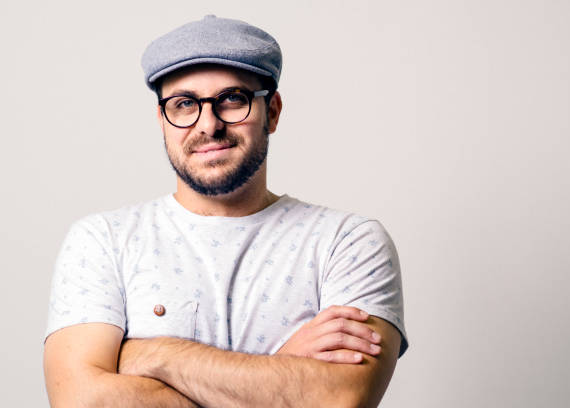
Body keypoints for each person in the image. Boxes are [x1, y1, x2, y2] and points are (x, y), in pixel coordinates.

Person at [43, 15, 407, 408]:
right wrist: (284, 372)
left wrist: (154, 355)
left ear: (273, 111)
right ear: (162, 120)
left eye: (232, 99)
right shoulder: (103, 241)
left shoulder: (348, 242)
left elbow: (341, 398)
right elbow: (81, 400)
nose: (209, 124)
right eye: (184, 104)